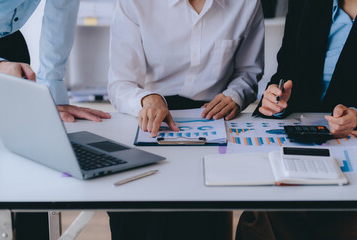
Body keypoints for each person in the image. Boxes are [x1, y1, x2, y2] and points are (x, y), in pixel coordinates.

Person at [107, 0, 264, 239]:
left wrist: (235, 95)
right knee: (139, 213)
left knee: (199, 215)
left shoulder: (247, 3)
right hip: (147, 116)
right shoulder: (134, 3)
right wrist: (147, 99)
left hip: (212, 117)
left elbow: (248, 72)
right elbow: (120, 83)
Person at [237, 0, 357, 239]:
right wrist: (276, 100)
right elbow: (286, 72)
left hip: (350, 151)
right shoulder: (306, 3)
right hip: (303, 142)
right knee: (272, 207)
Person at [0, 1, 110, 239]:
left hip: (10, 49)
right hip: (3, 64)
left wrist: (51, 94)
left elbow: (62, 8)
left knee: (34, 168)